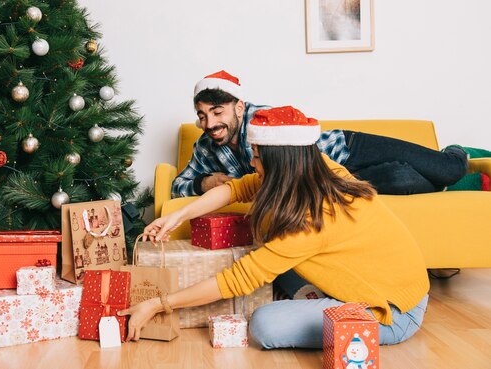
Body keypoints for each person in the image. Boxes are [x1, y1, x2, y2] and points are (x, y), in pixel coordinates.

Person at [119, 106, 430, 348]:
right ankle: (315, 298)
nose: (252, 164)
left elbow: (237, 279)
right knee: (270, 256)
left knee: (265, 325)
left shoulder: (313, 219)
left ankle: (325, 303)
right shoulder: (314, 169)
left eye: (257, 157)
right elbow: (235, 189)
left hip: (392, 312)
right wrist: (179, 215)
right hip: (386, 283)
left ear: (281, 163)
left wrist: (160, 303)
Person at [172, 70, 471, 198]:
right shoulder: (206, 146)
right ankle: (440, 185)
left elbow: (278, 178)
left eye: (217, 112)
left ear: (238, 107)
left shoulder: (263, 123)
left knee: (451, 169)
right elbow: (178, 186)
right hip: (334, 180)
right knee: (401, 178)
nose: (209, 123)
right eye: (202, 115)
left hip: (347, 149)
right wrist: (205, 181)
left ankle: (457, 152)